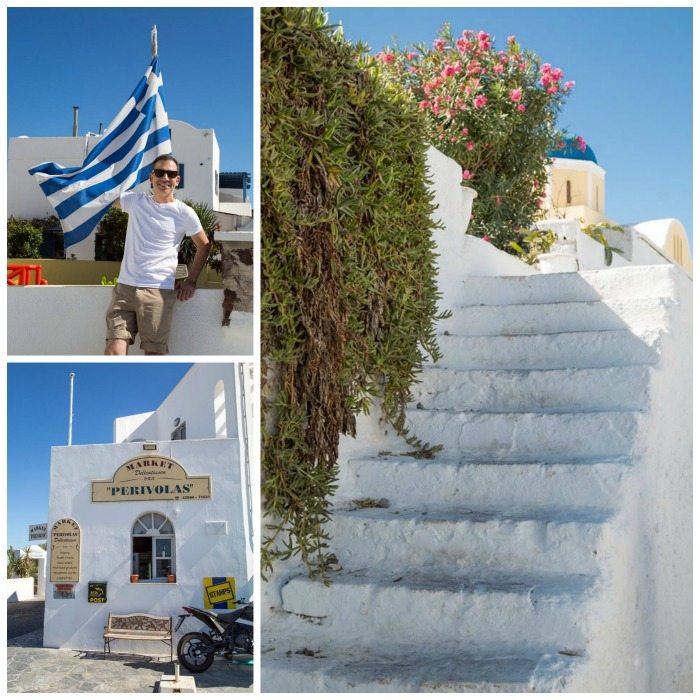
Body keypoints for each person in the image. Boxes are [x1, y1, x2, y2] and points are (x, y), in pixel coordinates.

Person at [104, 154, 211, 355]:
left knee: (154, 355)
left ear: (177, 180)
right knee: (113, 352)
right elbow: (104, 198)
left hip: (158, 292)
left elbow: (204, 245)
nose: (165, 178)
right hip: (125, 289)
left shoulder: (184, 213)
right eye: (160, 173)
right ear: (151, 177)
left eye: (171, 174)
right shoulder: (134, 201)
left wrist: (191, 281)